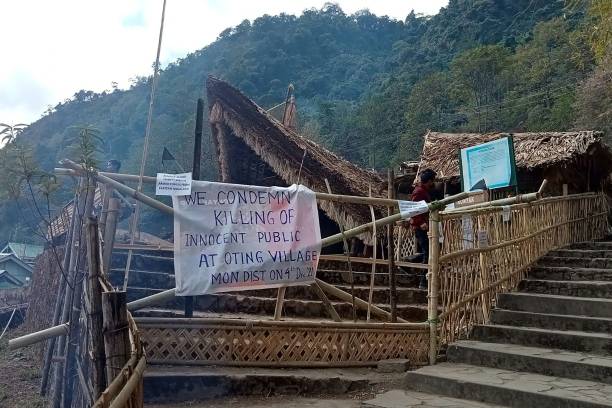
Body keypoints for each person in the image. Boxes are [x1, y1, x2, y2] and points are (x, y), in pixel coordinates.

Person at [410, 168, 437, 289]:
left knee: (429, 251)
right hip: (421, 227)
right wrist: (420, 222)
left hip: (424, 225)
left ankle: (410, 263)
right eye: (432, 181)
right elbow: (414, 209)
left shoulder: (423, 191)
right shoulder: (419, 191)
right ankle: (423, 281)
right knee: (428, 252)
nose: (433, 183)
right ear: (429, 181)